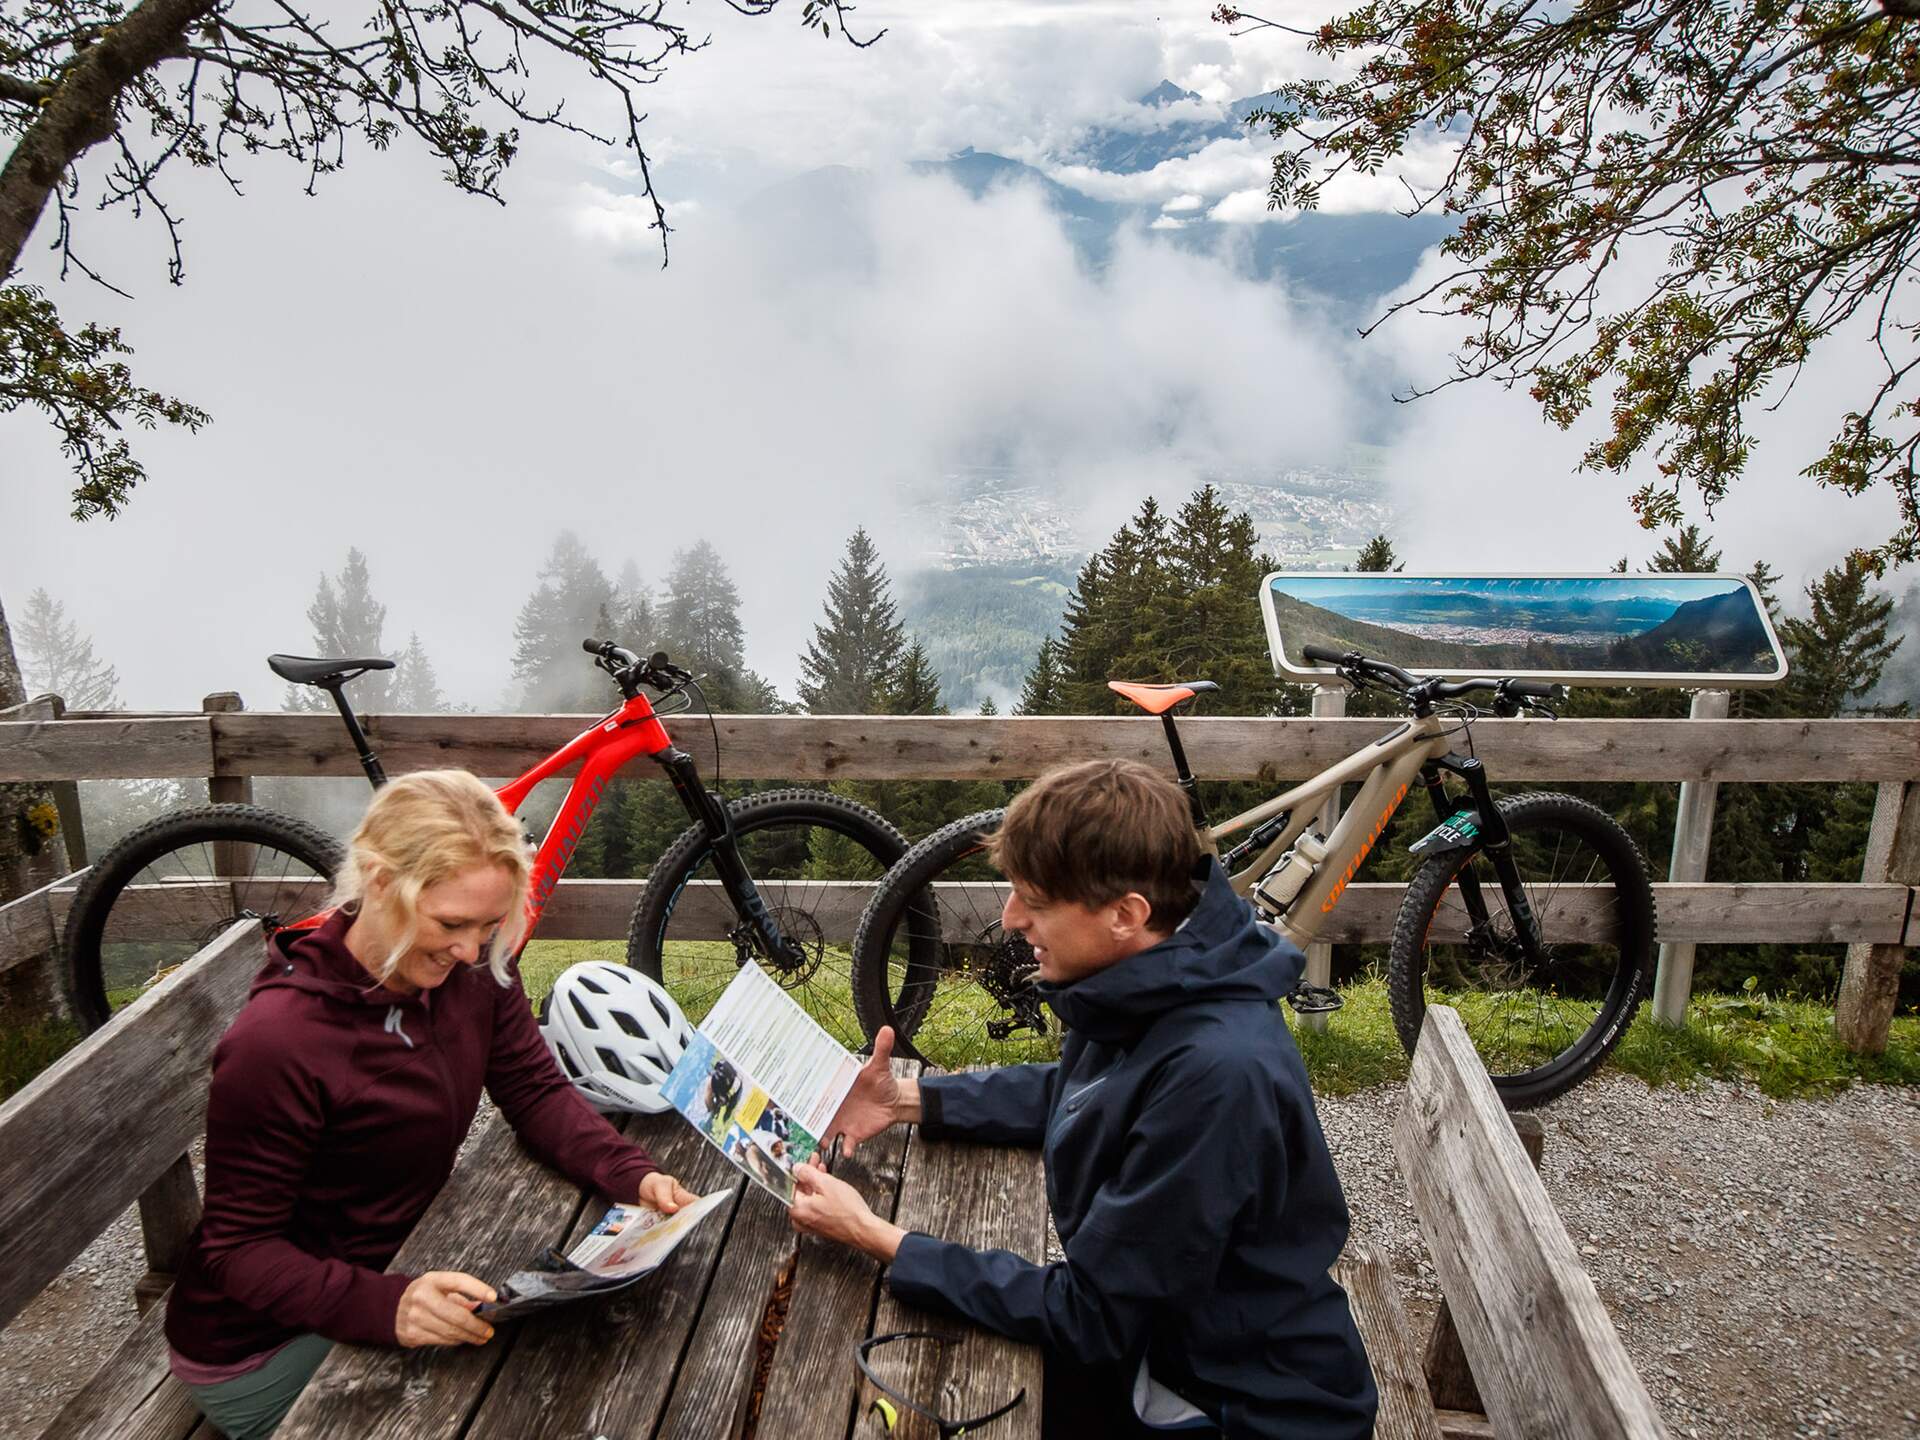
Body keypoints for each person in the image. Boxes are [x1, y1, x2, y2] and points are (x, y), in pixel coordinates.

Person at [790, 759, 1378, 1439]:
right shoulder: (1166, 978)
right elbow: (1086, 1091)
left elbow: (1093, 1316)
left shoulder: (1216, 1075)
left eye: (1034, 902)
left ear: (1126, 913)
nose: (1011, 920)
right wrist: (905, 1101)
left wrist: (877, 1237)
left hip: (1235, 1403)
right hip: (1168, 1348)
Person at [163, 769, 698, 1440]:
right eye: (450, 923)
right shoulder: (279, 1043)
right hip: (263, 1345)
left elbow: (533, 1091)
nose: (472, 950)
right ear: (379, 882)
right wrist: (391, 1305)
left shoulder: (468, 968)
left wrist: (631, 1173)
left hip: (395, 1262)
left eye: (489, 924)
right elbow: (237, 1252)